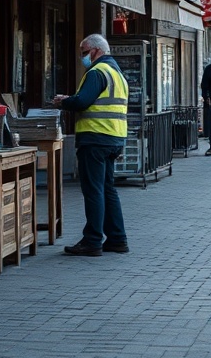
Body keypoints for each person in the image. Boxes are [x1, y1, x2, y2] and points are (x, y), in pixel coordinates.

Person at [50, 33, 130, 257]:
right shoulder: (117, 73)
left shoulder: (96, 72)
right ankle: (117, 239)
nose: (82, 57)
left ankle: (92, 240)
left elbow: (83, 101)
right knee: (107, 189)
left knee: (93, 190)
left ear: (97, 50)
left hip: (95, 138)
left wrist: (63, 102)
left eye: (84, 52)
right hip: (114, 138)